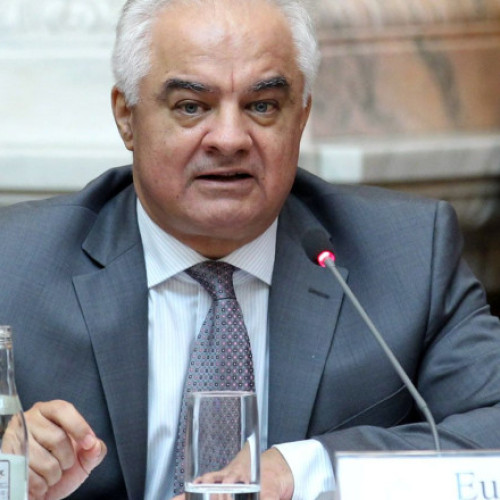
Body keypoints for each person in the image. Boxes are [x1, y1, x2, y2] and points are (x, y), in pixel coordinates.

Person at [1, 0, 500, 498]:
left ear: (301, 116)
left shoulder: (407, 255)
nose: (229, 139)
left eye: (262, 106)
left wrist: (301, 470)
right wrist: (8, 472)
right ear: (126, 117)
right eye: (191, 106)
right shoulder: (14, 263)